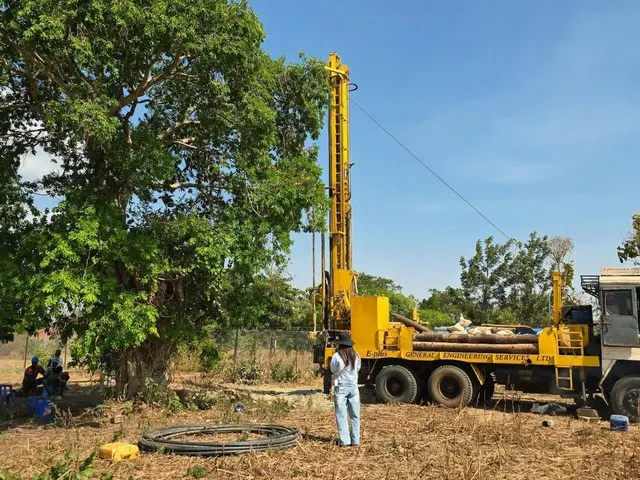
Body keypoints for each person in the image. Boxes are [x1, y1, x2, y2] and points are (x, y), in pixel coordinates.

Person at [329, 334, 361, 447]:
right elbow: (358, 369)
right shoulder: (356, 355)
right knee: (355, 415)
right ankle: (355, 440)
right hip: (354, 387)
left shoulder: (337, 356)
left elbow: (333, 369)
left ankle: (344, 441)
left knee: (341, 414)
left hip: (341, 387)